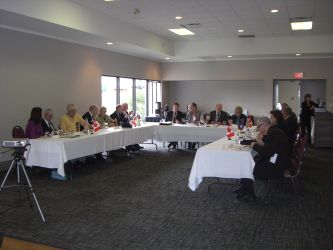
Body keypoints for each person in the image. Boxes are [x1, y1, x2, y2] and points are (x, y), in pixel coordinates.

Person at [235, 117, 291, 200]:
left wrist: (254, 145)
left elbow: (267, 152)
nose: (257, 129)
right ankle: (245, 188)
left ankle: (249, 192)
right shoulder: (274, 131)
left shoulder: (274, 133)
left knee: (248, 165)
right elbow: (272, 147)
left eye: (258, 126)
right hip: (279, 159)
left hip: (277, 165)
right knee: (250, 161)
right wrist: (262, 143)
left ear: (264, 125)